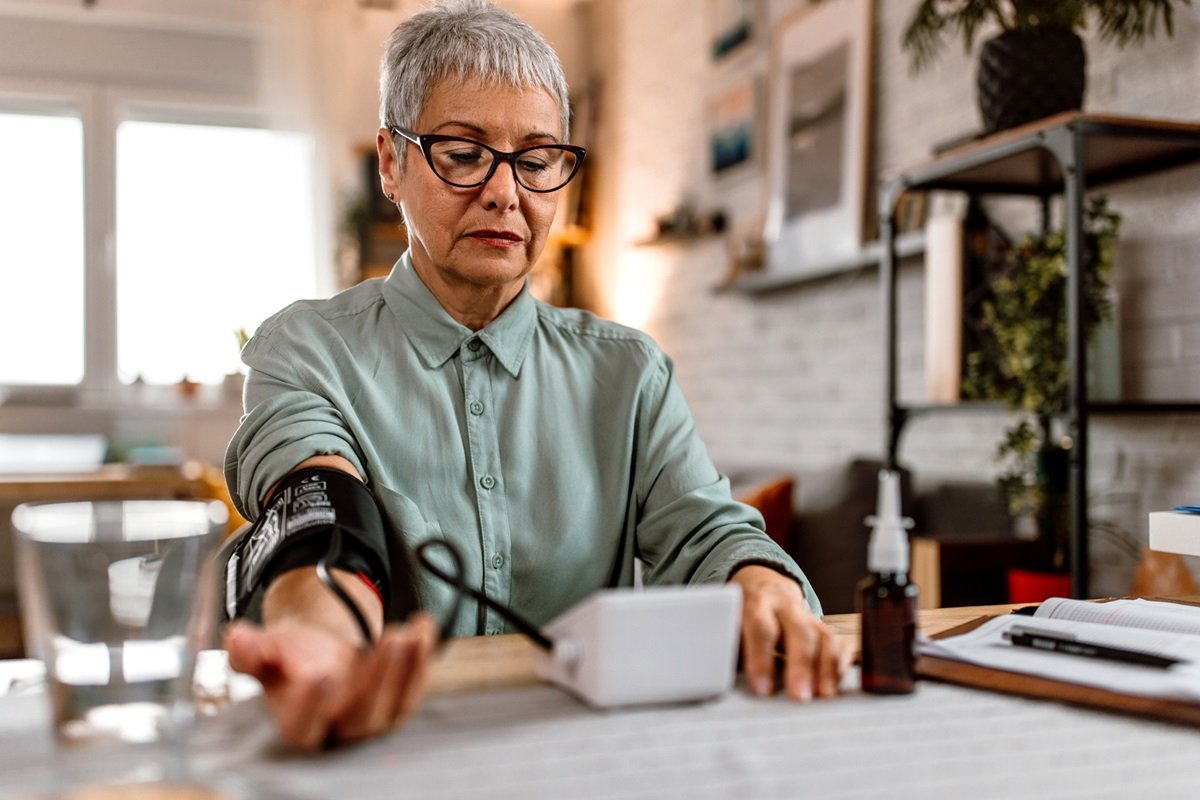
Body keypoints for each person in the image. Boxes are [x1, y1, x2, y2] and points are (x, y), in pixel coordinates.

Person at [222, 0, 851, 752]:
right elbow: (320, 517)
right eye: (462, 152)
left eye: (537, 158)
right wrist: (321, 632)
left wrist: (760, 584)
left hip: (591, 750)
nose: (504, 192)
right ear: (391, 164)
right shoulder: (305, 348)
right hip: (388, 743)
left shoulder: (630, 372)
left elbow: (706, 532)